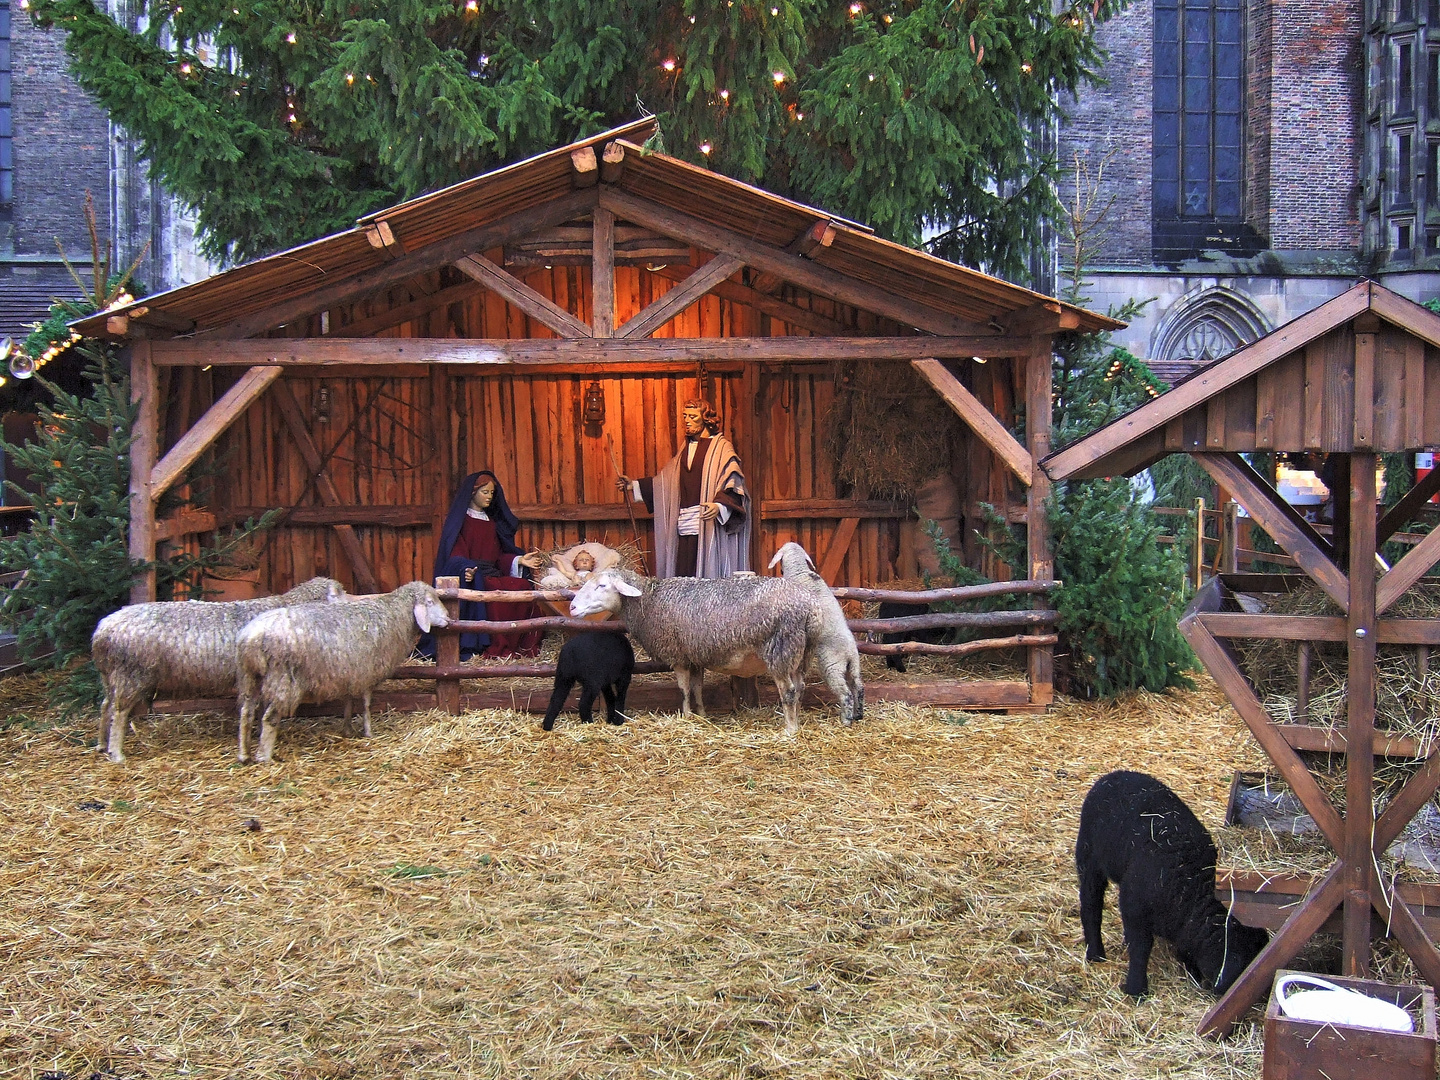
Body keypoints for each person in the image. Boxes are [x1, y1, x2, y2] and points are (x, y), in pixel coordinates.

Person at [616, 399, 750, 577]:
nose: (687, 420)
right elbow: (665, 482)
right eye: (685, 416)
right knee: (683, 575)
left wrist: (720, 506)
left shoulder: (721, 447)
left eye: (693, 416)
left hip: (708, 523)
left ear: (705, 419)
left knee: (708, 577)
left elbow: (733, 480)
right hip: (684, 526)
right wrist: (633, 485)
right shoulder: (684, 450)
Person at [434, 471, 547, 658]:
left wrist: (518, 560)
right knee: (492, 590)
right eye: (485, 492)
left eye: (492, 493)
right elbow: (455, 553)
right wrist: (465, 569)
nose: (489, 497)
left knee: (521, 586)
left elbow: (499, 556)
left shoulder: (491, 523)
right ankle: (492, 645)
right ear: (472, 493)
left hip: (493, 572)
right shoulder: (460, 522)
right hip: (476, 576)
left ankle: (518, 645)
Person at [537, 541, 623, 590]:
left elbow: (601, 574)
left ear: (592, 565)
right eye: (581, 560)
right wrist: (559, 562)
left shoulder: (593, 574)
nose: (584, 562)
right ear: (576, 565)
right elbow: (564, 572)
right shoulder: (574, 574)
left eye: (587, 560)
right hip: (575, 586)